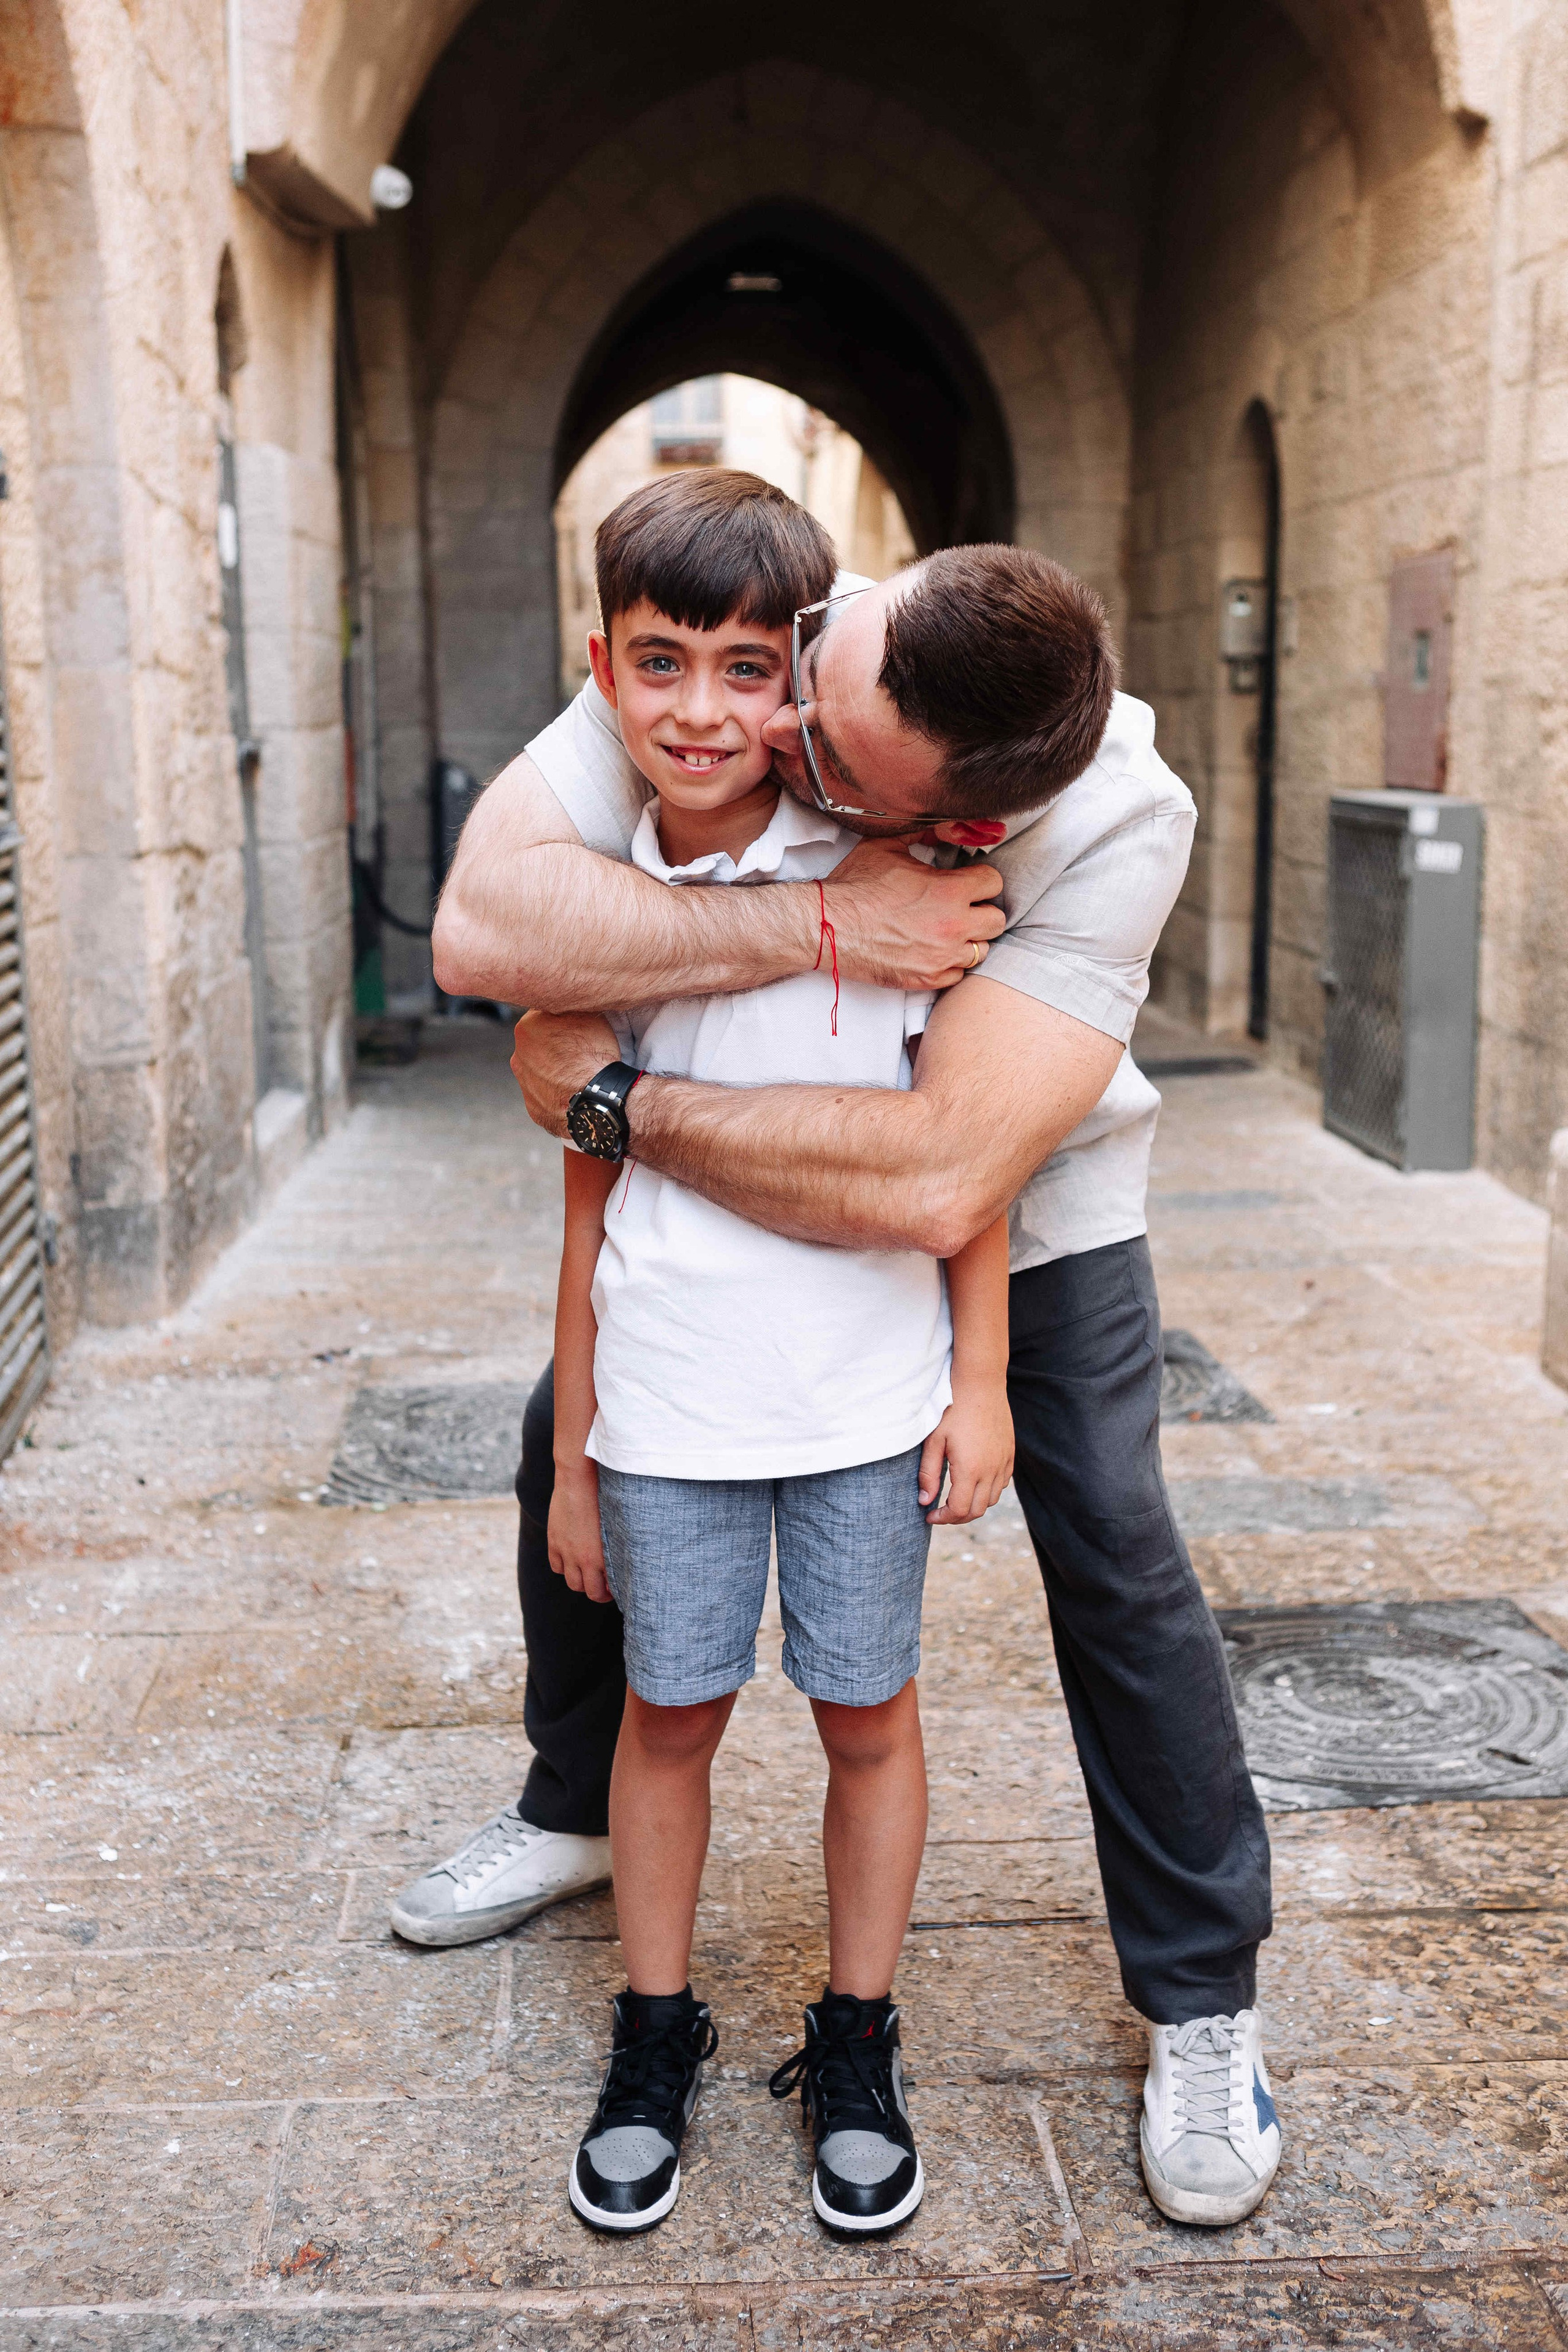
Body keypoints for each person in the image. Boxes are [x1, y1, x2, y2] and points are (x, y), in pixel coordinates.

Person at [396, 508, 1283, 2231]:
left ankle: (1199, 1994)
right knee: (562, 1449)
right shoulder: (778, 642)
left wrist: (617, 1104)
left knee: (1112, 1543)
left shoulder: (1117, 822)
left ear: (953, 816)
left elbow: (948, 1175)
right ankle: (580, 1809)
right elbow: (490, 931)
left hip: (1020, 1188)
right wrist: (817, 935)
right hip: (721, 1174)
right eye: (809, 689)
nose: (772, 742)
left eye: (827, 760)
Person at [539, 472, 1013, 2234]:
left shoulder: (900, 882)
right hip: (668, 1405)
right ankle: (653, 2032)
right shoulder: (599, 904)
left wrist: (982, 1381)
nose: (703, 710)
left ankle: (859, 2036)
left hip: (867, 1402)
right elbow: (585, 1206)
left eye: (749, 669)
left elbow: (970, 1167)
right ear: (605, 669)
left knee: (866, 1712)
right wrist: (577, 1447)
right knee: (669, 1715)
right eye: (662, 663)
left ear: (804, 680)